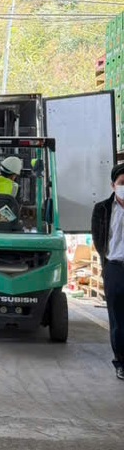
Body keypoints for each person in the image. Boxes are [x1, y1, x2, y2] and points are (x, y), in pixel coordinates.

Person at [91, 162, 124, 381]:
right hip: (115, 268)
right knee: (118, 320)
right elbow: (98, 238)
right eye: (123, 182)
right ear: (113, 185)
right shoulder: (102, 209)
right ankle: (121, 362)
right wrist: (107, 262)